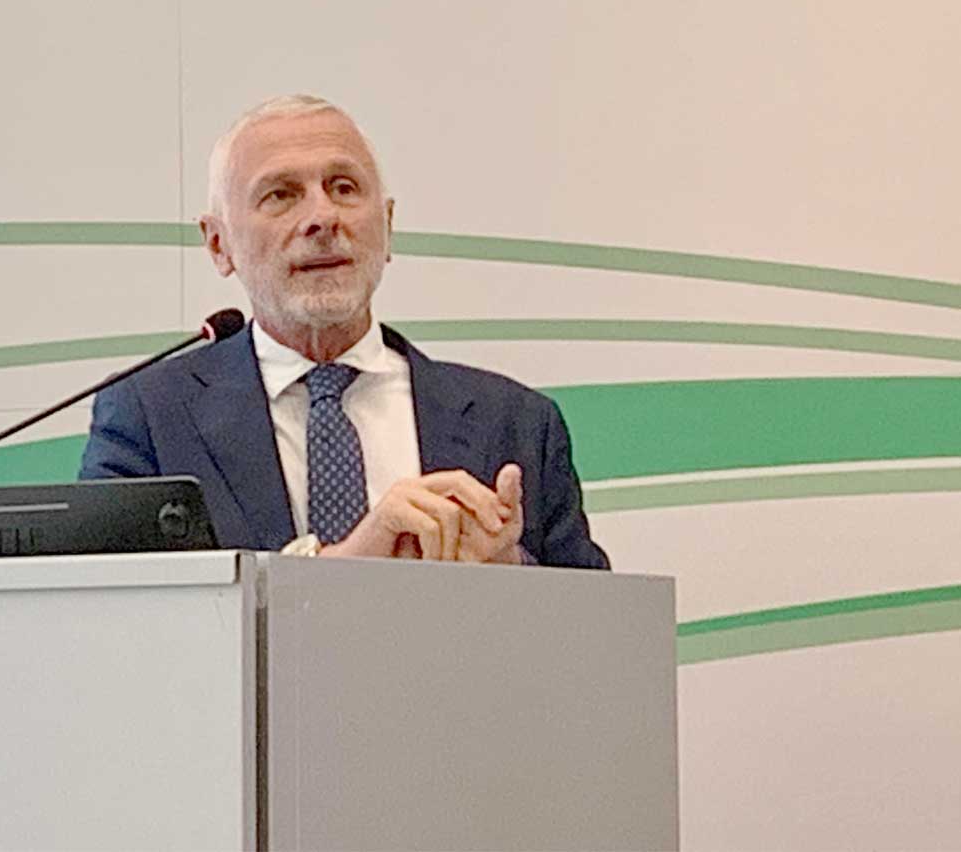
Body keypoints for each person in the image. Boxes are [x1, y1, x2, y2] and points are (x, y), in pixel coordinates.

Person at [79, 95, 608, 567]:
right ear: (219, 244)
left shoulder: (516, 423)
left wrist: (513, 569)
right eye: (281, 195)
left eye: (344, 188)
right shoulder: (150, 418)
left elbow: (598, 630)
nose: (323, 217)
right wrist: (342, 561)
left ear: (388, 225)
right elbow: (109, 619)